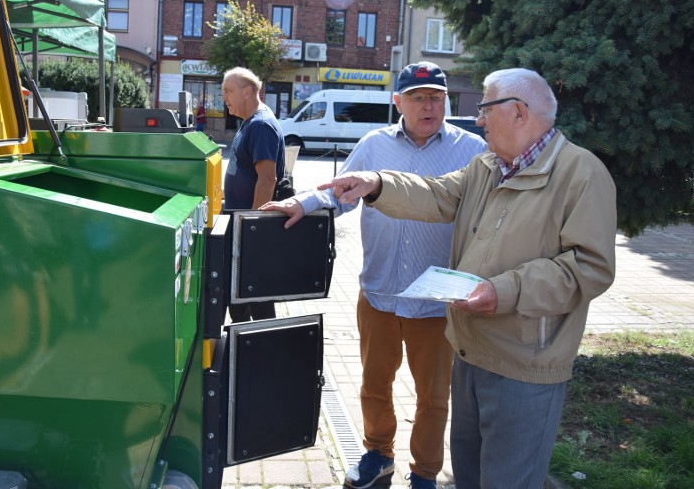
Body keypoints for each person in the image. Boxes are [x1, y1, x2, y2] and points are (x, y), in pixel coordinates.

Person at [316, 68, 617, 489]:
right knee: (471, 477)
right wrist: (377, 182)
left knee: (508, 479)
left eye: (484, 109)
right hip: (472, 349)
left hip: (525, 361)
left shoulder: (580, 173)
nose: (476, 120)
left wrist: (504, 290)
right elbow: (437, 194)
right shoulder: (490, 165)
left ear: (517, 112)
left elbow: (591, 267)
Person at [261, 62, 487, 489]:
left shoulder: (471, 150)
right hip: (380, 291)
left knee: (434, 398)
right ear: (398, 102)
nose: (429, 106)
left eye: (436, 97)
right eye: (418, 98)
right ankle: (378, 455)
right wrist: (302, 204)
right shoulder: (374, 143)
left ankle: (424, 473)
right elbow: (341, 194)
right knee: (374, 385)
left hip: (437, 301)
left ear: (447, 101)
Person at [222, 66, 286, 321]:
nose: (223, 97)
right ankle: (245, 351)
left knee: (255, 301)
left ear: (247, 92)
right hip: (242, 225)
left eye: (228, 91)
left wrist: (251, 227)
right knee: (240, 302)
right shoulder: (250, 122)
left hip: (250, 230)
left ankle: (263, 354)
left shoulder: (260, 125)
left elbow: (268, 179)